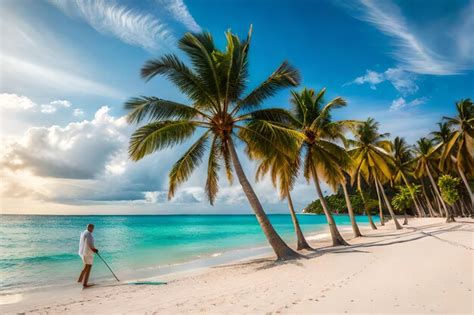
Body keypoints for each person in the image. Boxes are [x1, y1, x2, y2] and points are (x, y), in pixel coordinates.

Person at [78, 224, 99, 288]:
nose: (93, 229)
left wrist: (93, 249)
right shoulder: (89, 234)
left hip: (84, 253)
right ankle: (85, 283)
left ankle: (79, 280)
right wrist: (95, 250)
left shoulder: (85, 232)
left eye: (93, 228)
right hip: (87, 254)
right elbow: (90, 244)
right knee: (89, 267)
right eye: (92, 228)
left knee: (85, 267)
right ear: (89, 227)